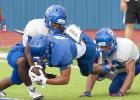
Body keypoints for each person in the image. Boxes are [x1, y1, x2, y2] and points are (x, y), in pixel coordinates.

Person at [81, 28, 140, 97]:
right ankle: (108, 75)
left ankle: (126, 83)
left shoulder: (124, 48)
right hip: (117, 67)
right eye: (101, 47)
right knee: (113, 90)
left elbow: (131, 72)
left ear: (113, 43)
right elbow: (95, 68)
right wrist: (87, 92)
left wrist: (121, 92)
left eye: (106, 46)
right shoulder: (97, 50)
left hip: (135, 65)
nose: (103, 49)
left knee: (121, 86)